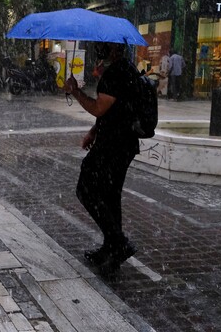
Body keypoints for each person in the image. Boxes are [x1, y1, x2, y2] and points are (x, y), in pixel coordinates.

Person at [62, 42, 139, 274]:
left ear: (115, 47)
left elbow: (98, 108)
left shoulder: (116, 73)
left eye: (103, 46)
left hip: (113, 146)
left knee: (86, 189)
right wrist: (93, 132)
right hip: (123, 143)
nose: (99, 49)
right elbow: (113, 111)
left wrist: (75, 91)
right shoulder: (127, 69)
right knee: (110, 196)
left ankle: (118, 242)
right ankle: (111, 250)